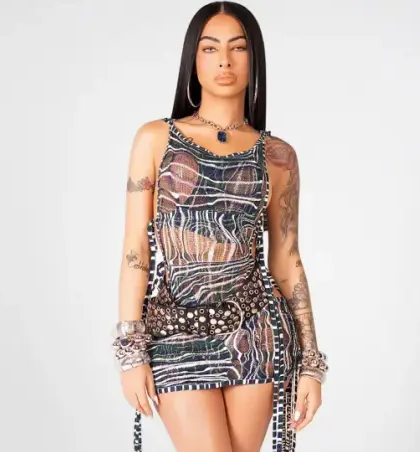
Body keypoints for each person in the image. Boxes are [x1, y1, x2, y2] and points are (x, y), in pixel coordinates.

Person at [112, 2, 328, 451]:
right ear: (193, 59)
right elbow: (136, 250)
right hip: (174, 331)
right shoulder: (155, 139)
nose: (225, 61)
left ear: (254, 58)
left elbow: (286, 260)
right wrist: (131, 349)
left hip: (257, 332)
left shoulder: (278, 156)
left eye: (237, 48)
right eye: (210, 48)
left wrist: (310, 362)